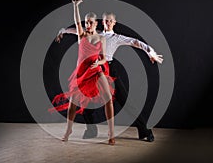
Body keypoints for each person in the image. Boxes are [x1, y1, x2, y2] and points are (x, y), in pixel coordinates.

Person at [56, 11, 163, 142]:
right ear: (102, 22)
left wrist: (150, 52)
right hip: (92, 69)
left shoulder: (117, 37)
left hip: (109, 69)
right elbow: (77, 30)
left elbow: (135, 42)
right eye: (105, 20)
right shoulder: (96, 33)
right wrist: (63, 30)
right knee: (86, 100)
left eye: (110, 21)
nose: (107, 23)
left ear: (114, 22)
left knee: (124, 101)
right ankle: (91, 130)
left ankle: (144, 131)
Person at [49, 0, 116, 145]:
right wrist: (76, 6)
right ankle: (68, 131)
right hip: (81, 74)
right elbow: (77, 21)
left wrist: (100, 61)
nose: (88, 25)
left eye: (91, 22)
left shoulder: (101, 38)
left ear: (96, 23)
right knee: (73, 104)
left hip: (96, 71)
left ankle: (111, 134)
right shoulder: (82, 35)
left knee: (108, 99)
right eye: (86, 22)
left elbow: (104, 58)